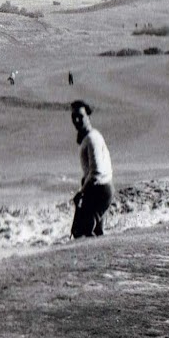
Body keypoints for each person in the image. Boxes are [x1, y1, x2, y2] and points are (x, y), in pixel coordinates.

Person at [70, 100, 114, 238]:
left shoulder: (92, 139)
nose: (77, 120)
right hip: (100, 188)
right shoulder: (90, 136)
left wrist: (81, 192)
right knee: (95, 233)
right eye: (74, 117)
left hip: (100, 190)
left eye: (80, 117)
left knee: (81, 233)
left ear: (88, 117)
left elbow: (96, 172)